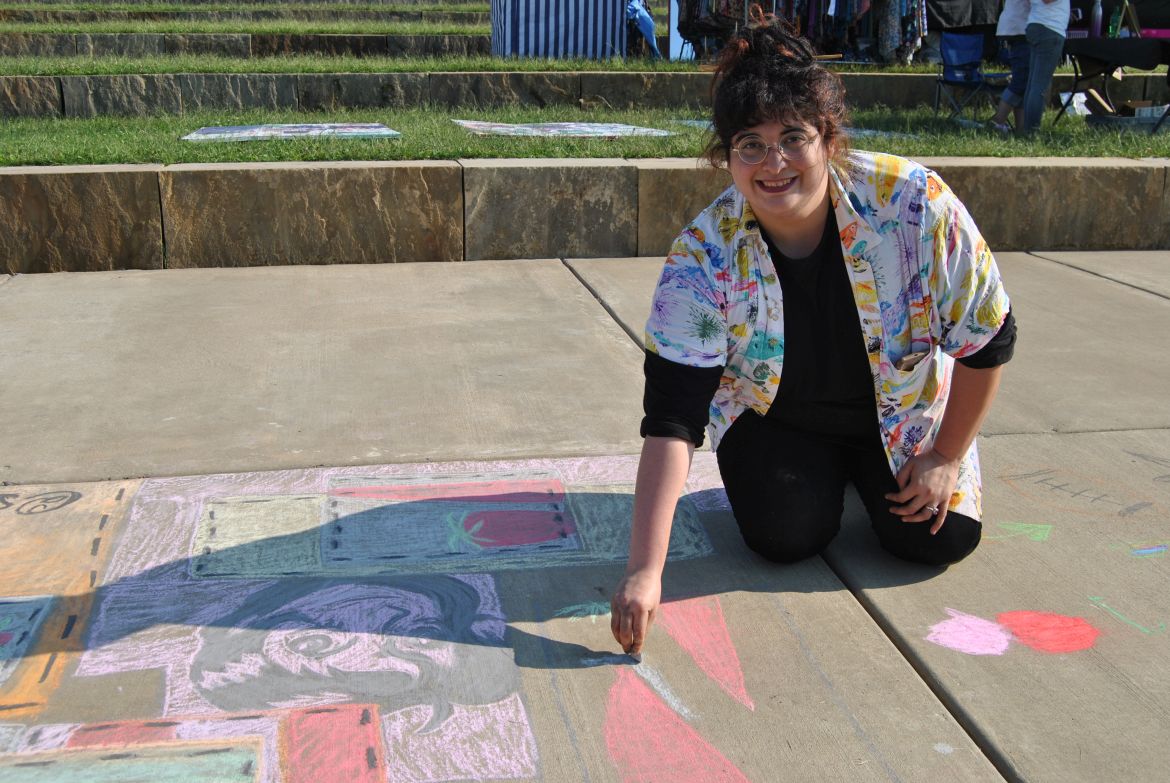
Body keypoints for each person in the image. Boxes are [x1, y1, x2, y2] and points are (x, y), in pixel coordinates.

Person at [610, 11, 1017, 656]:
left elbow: (988, 337)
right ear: (726, 156)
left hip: (900, 412)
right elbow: (672, 416)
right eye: (750, 143)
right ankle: (827, 477)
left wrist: (944, 455)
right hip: (776, 419)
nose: (773, 163)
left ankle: (877, 468)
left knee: (936, 540)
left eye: (793, 137)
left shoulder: (915, 205)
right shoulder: (702, 256)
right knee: (783, 537)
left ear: (828, 138)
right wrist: (644, 571)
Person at [1021, 0, 1072, 134]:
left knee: (1033, 84)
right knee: (1039, 86)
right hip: (1049, 27)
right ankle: (1031, 130)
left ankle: (1027, 129)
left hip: (1038, 24)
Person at [988, 0, 1032, 133]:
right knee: (1020, 80)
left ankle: (1021, 128)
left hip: (1018, 28)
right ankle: (997, 121)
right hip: (1019, 30)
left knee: (1023, 81)